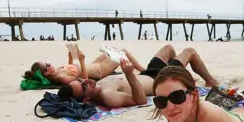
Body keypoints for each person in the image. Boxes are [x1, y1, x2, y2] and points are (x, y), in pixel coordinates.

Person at [57, 44, 219, 108]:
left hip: (148, 73)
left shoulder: (96, 86)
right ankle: (211, 82)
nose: (86, 81)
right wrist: (129, 74)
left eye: (80, 80)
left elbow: (86, 79)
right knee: (190, 52)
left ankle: (182, 76)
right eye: (84, 86)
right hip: (160, 79)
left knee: (169, 49)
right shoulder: (107, 96)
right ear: (86, 99)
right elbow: (140, 100)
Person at [23, 46, 145, 85]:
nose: (50, 63)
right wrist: (81, 61)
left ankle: (139, 69)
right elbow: (84, 81)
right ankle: (143, 70)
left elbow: (72, 69)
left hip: (93, 64)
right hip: (100, 70)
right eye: (48, 64)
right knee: (122, 52)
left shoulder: (59, 70)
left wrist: (71, 58)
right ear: (46, 72)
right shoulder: (60, 78)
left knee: (110, 50)